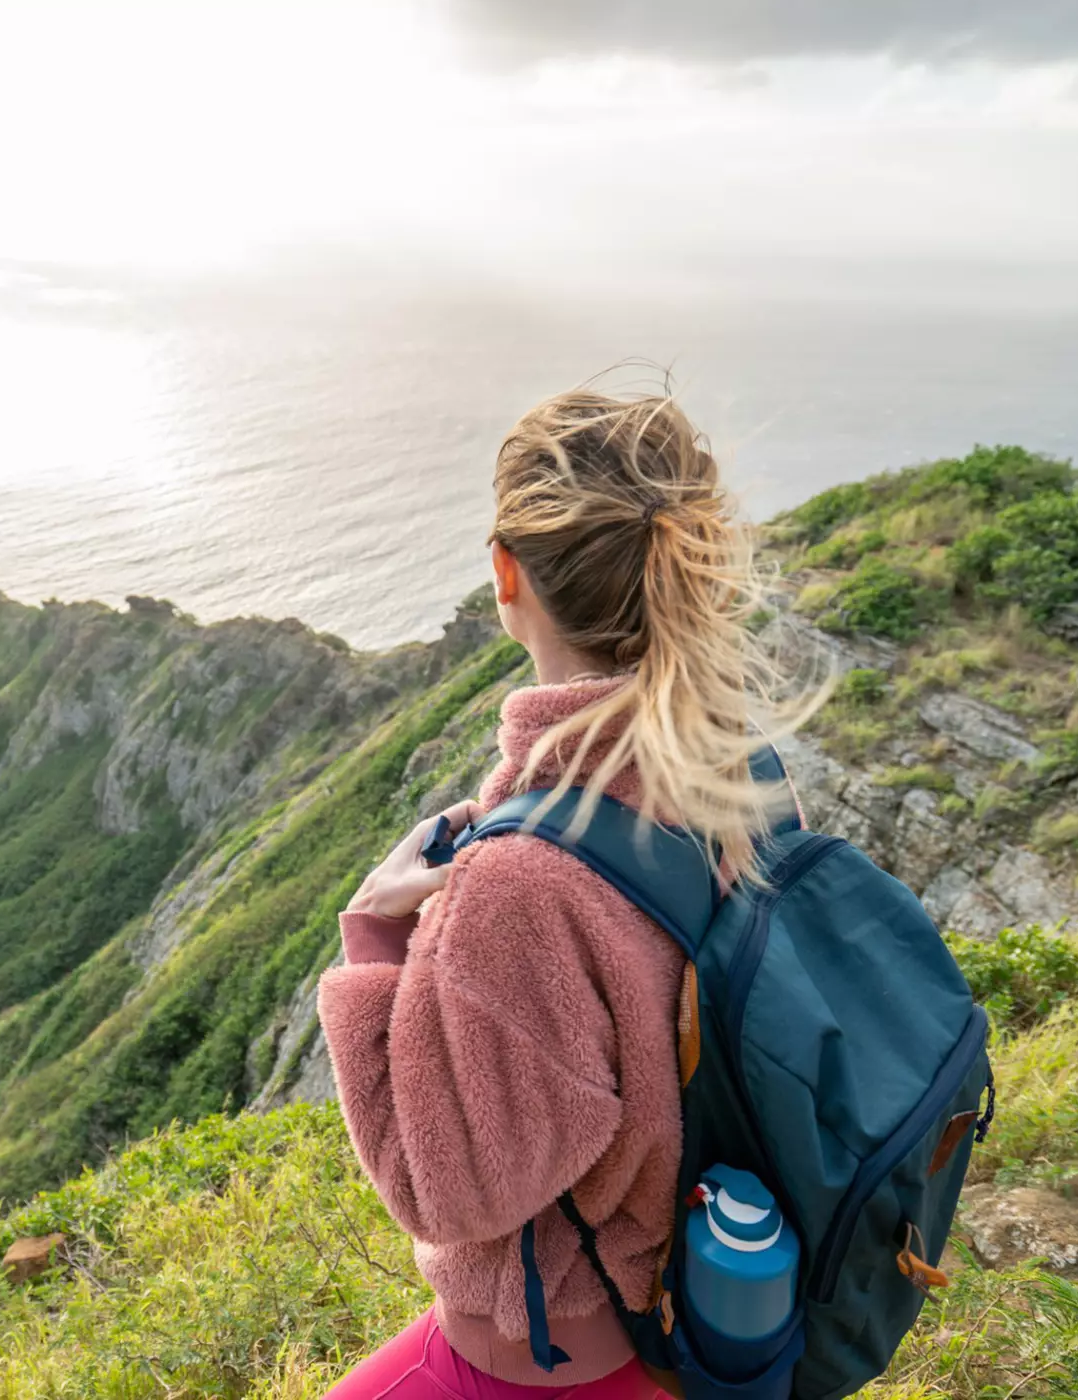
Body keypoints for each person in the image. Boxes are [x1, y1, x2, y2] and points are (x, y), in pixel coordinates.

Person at [317, 389, 812, 1400]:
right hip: (722, 1296)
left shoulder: (520, 881)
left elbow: (443, 1192)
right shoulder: (740, 774)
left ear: (506, 573)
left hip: (562, 1355)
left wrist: (375, 938)